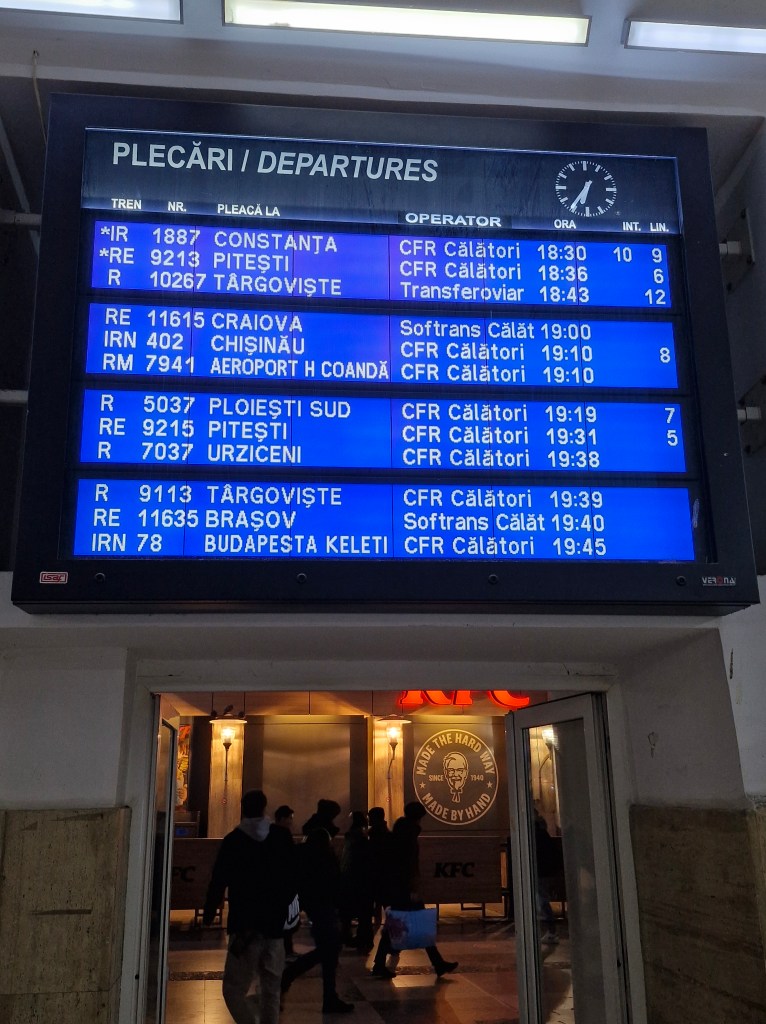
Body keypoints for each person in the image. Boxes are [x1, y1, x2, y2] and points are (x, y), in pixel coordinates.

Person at [203, 790, 296, 1024]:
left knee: (233, 990)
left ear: (243, 808)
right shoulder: (280, 837)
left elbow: (219, 879)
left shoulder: (233, 841)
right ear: (265, 807)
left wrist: (210, 912)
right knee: (271, 990)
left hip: (244, 927)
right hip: (274, 927)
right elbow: (292, 876)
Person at [370, 801, 458, 980]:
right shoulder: (409, 836)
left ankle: (436, 963)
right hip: (405, 889)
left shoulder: (400, 832)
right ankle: (437, 963)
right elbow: (408, 865)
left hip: (397, 888)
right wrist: (412, 888)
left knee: (397, 924)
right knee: (415, 924)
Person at [280, 828, 355, 1013]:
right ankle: (290, 976)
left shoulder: (301, 856)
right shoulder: (326, 858)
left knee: (329, 952)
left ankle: (329, 996)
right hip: (325, 909)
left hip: (313, 908)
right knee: (329, 950)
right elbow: (336, 885)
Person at [339, 810, 373, 952]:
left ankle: (346, 937)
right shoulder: (362, 839)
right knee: (364, 913)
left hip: (348, 879)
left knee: (347, 912)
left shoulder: (349, 839)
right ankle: (363, 940)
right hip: (360, 880)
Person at [273, 805, 300, 959]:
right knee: (288, 918)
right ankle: (287, 950)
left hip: (275, 883)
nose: (291, 821)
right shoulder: (284, 834)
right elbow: (291, 857)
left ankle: (282, 950)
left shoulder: (268, 833)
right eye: (290, 818)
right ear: (283, 818)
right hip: (285, 883)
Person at [534, 809, 563, 945]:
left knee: (542, 901)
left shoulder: (536, 835)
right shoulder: (543, 834)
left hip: (542, 872)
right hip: (547, 871)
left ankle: (551, 931)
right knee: (542, 900)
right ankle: (550, 931)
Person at [367, 806, 393, 927]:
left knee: (377, 902)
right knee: (386, 903)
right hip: (385, 874)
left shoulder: (373, 835)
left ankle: (377, 925)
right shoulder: (387, 834)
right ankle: (390, 927)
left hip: (375, 873)